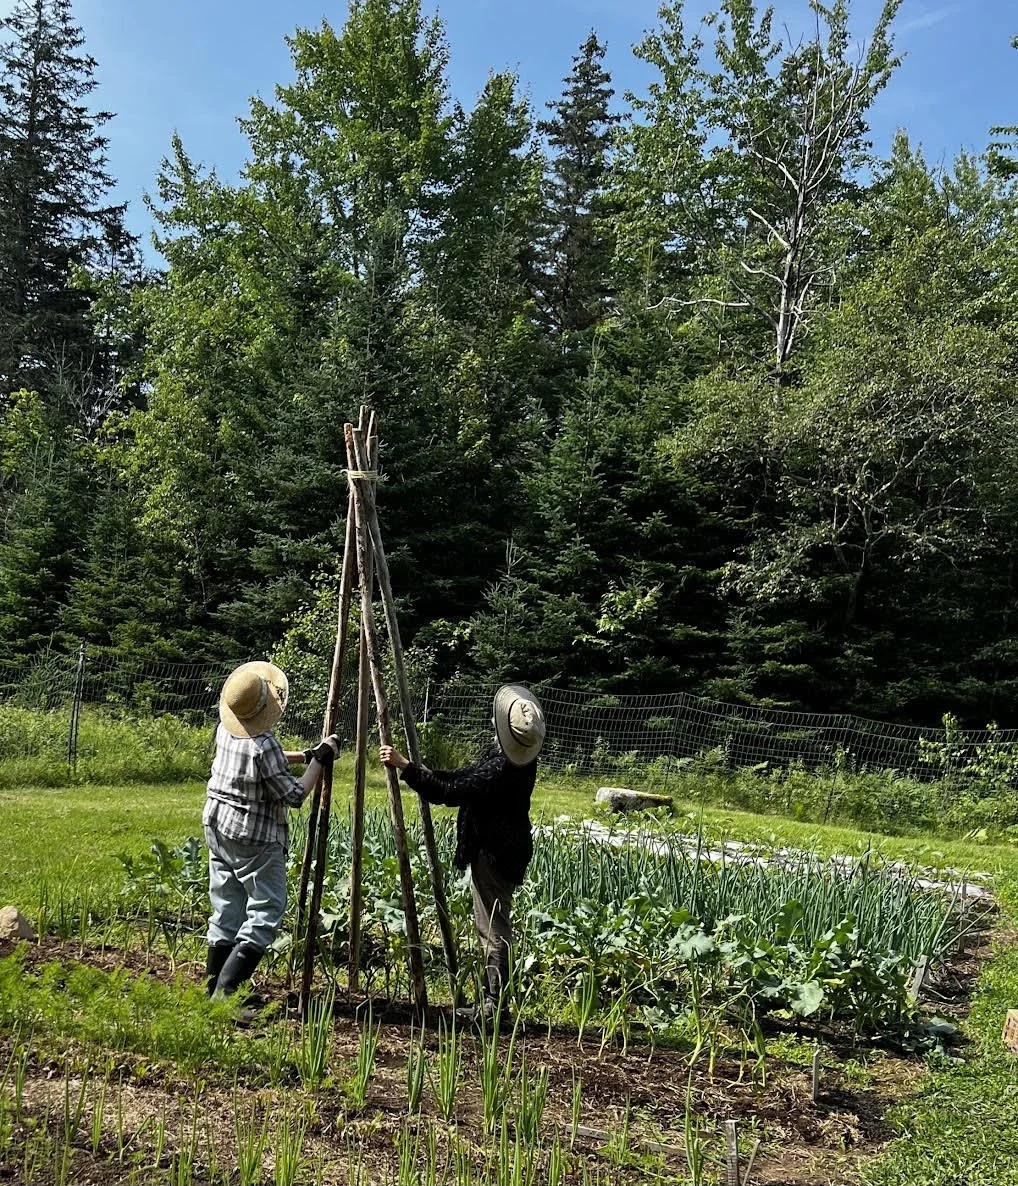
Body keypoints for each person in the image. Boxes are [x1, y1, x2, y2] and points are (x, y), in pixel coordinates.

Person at [379, 683, 545, 1020]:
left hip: (495, 852)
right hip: (508, 848)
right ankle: (494, 1002)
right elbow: (462, 777)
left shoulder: (500, 770)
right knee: (494, 921)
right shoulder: (519, 762)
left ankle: (493, 1006)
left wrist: (405, 766)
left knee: (493, 926)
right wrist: (417, 768)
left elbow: (449, 791)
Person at [203, 660, 339, 1001]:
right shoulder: (263, 746)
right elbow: (293, 795)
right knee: (266, 910)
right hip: (253, 836)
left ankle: (212, 987)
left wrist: (306, 754)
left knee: (227, 906)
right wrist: (320, 760)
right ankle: (227, 992)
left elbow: (267, 756)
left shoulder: (227, 729)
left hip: (217, 826)